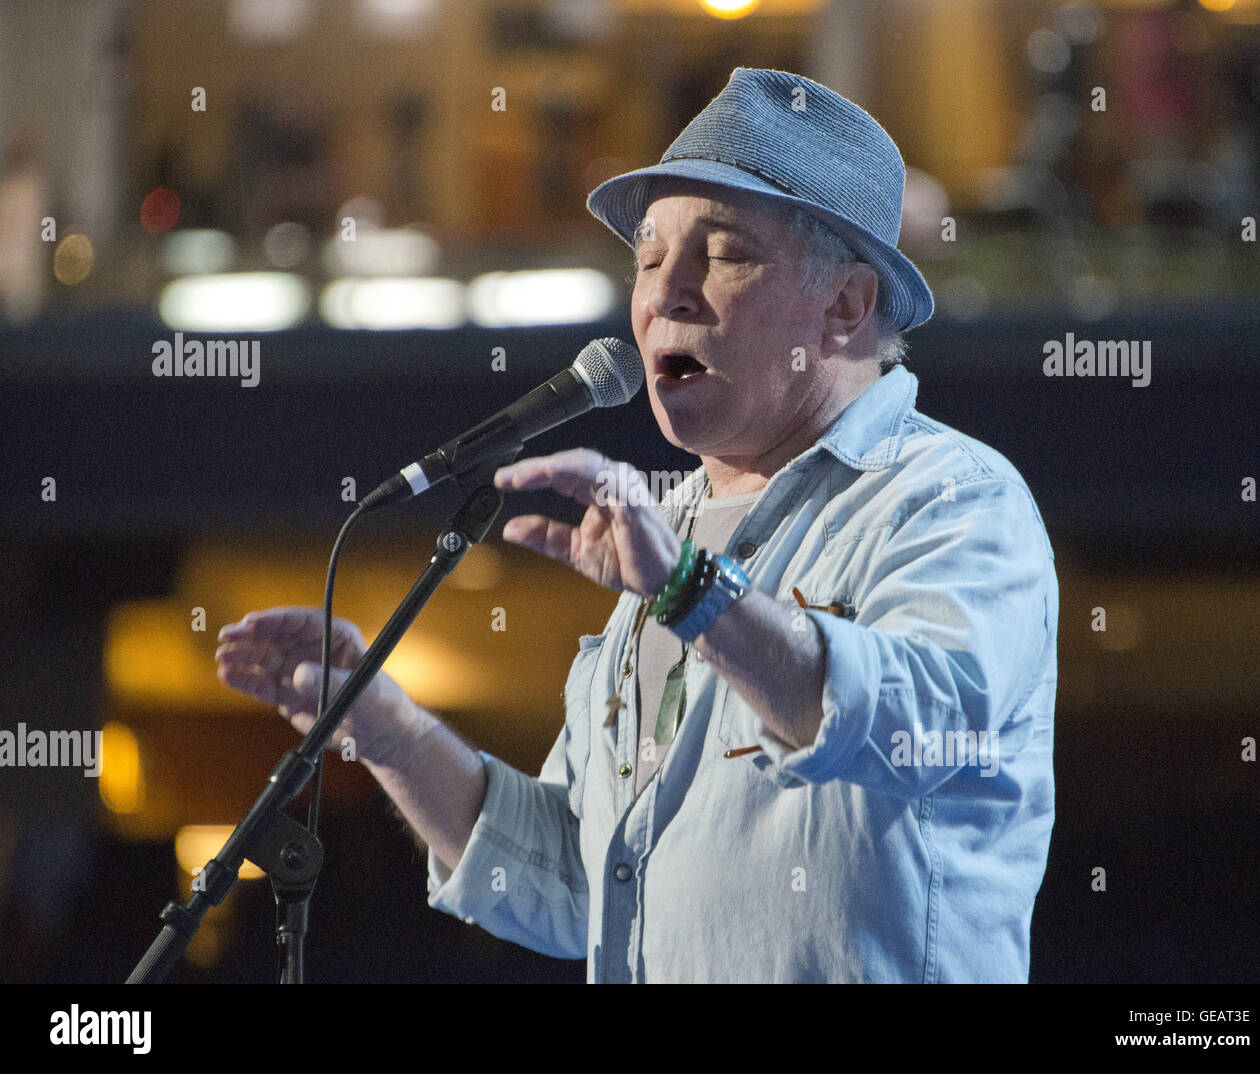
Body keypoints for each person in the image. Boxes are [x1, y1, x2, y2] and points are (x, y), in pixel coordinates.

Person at [216, 68, 1057, 983]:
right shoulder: (671, 537)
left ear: (847, 305)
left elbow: (918, 728)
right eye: (650, 258)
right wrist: (381, 725)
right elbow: (573, 889)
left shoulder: (949, 499)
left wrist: (694, 595)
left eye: (723, 252)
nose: (669, 294)